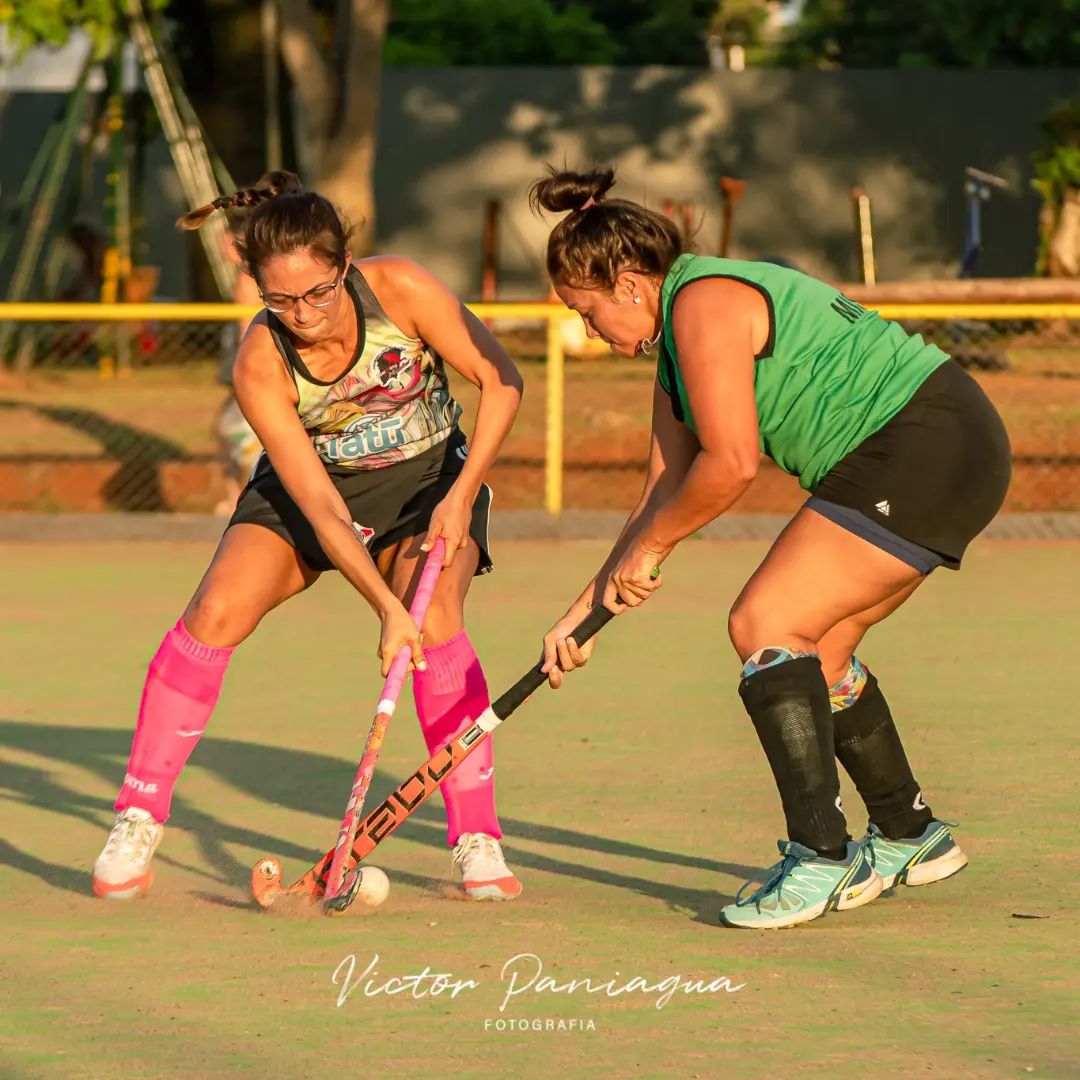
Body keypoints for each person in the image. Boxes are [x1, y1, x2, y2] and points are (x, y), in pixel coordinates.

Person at [532, 167, 1011, 930]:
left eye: (586, 314)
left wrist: (650, 549)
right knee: (816, 650)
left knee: (763, 623)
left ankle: (821, 856)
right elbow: (662, 494)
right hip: (944, 443)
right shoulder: (674, 346)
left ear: (628, 285)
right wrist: (581, 613)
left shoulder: (706, 303)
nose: (590, 333)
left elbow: (731, 465)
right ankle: (912, 835)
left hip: (921, 441)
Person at [92, 171, 525, 903]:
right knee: (214, 613)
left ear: (344, 268)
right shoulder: (260, 360)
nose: (303, 314)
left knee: (439, 619)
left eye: (318, 293)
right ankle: (138, 818)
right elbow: (320, 505)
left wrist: (460, 494)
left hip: (426, 486)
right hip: (314, 491)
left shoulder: (403, 291)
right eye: (280, 300)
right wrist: (386, 609)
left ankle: (476, 837)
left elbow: (501, 378)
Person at [213, 219, 264, 514]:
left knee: (239, 434)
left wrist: (247, 370)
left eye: (227, 240)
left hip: (248, 369)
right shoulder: (251, 277)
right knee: (224, 429)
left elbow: (249, 332)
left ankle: (244, 498)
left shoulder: (248, 280)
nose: (223, 246)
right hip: (243, 368)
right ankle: (235, 495)